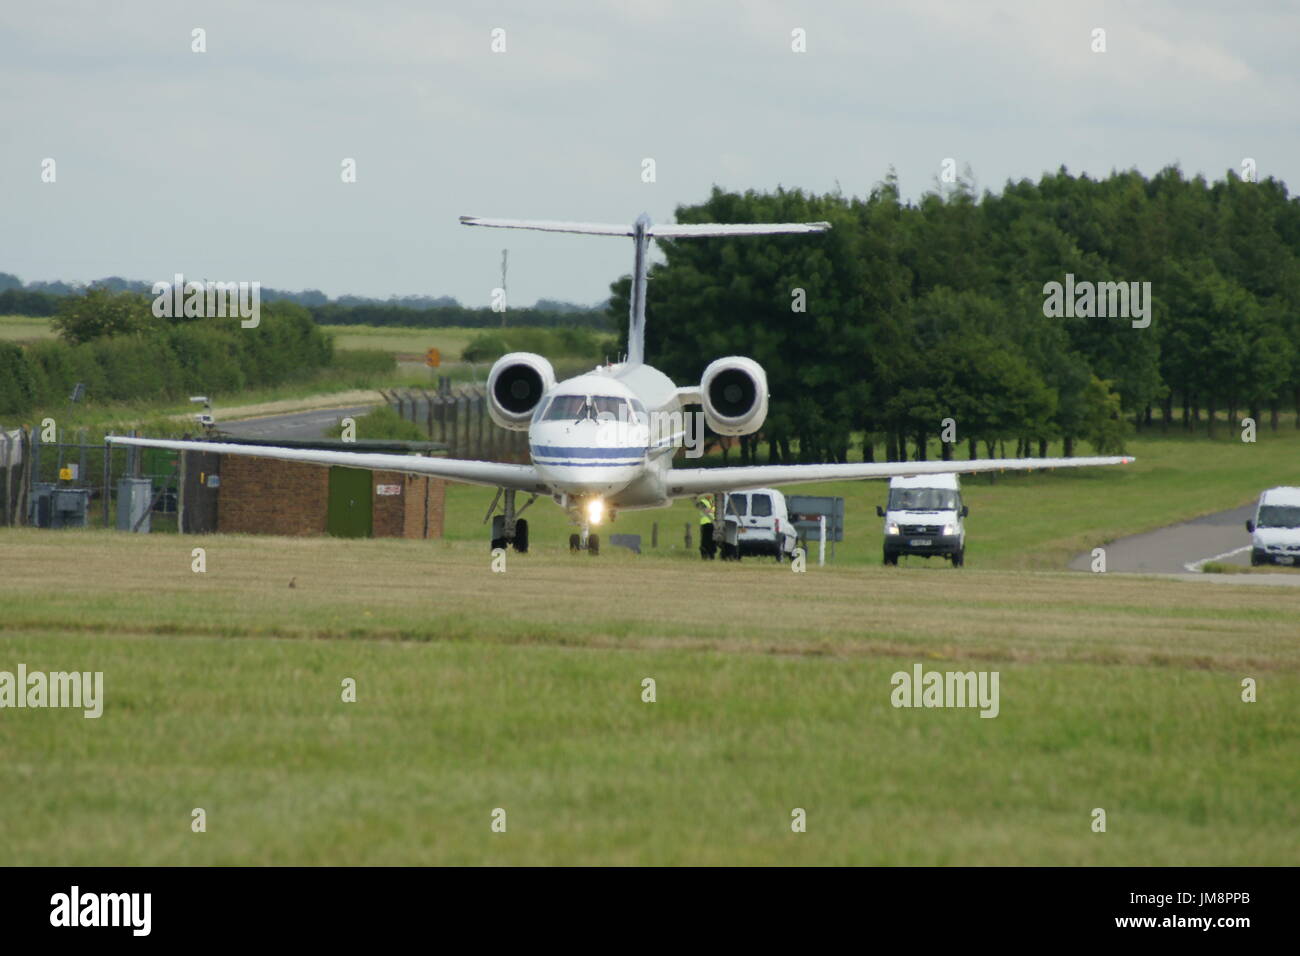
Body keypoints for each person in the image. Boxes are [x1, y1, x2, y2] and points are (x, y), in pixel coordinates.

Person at [696, 495, 717, 560]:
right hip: (705, 524)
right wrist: (712, 509)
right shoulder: (702, 502)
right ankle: (704, 555)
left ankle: (711, 555)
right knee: (705, 540)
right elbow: (705, 510)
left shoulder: (712, 502)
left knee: (712, 540)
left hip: (713, 524)